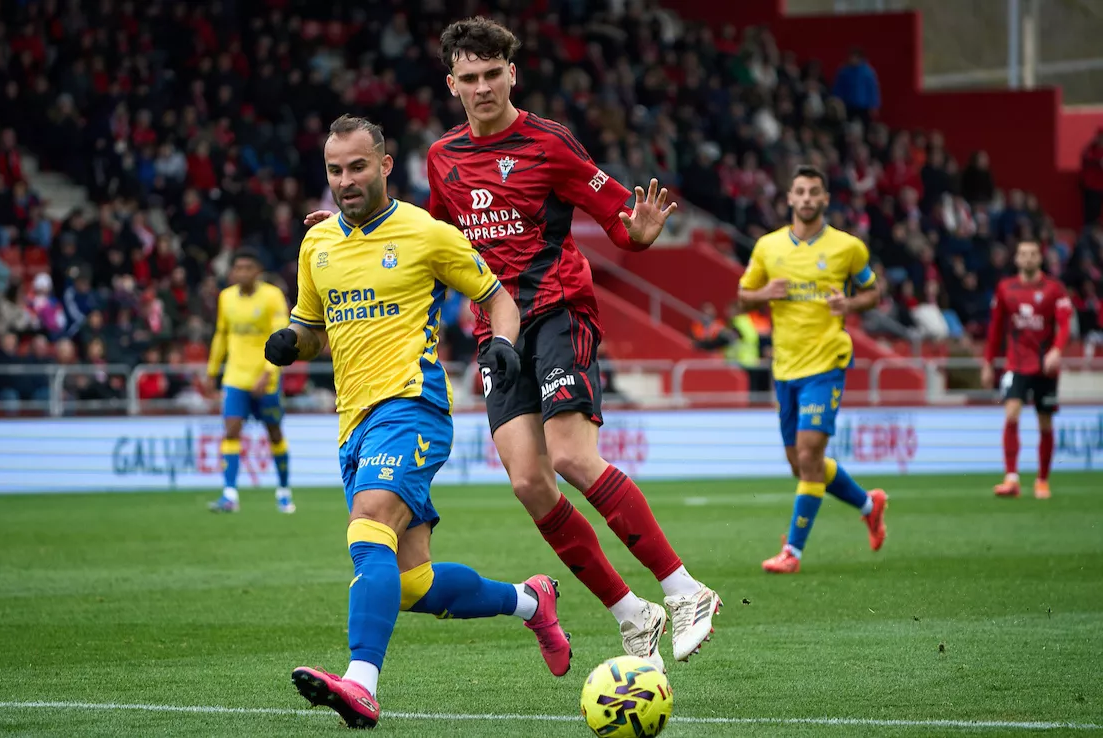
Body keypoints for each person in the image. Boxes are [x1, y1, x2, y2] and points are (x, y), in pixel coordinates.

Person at [305, 17, 720, 670]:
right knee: (530, 482)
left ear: (511, 74)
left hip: (558, 312)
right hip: (496, 336)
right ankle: (631, 614)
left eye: (491, 74)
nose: (481, 87)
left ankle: (684, 588)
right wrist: (349, 225)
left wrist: (639, 232)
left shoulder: (550, 145)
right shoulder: (443, 159)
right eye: (468, 78)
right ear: (451, 84)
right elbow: (423, 236)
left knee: (572, 457)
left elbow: (621, 222)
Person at [266, 115, 571, 730]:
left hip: (412, 407)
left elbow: (495, 296)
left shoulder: (426, 234)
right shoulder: (316, 244)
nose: (345, 180)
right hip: (353, 422)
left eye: (357, 166)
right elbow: (314, 330)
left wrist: (505, 344)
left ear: (384, 165)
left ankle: (361, 682)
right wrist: (289, 342)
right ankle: (529, 600)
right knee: (411, 583)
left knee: (369, 526)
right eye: (334, 170)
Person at [737, 165, 889, 574]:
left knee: (808, 455)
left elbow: (874, 291)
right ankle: (868, 504)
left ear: (824, 199)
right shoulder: (768, 247)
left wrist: (851, 304)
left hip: (827, 362)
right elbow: (742, 296)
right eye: (800, 192)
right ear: (789, 198)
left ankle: (793, 553)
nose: (806, 199)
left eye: (814, 193)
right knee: (801, 464)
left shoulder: (847, 247)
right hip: (785, 368)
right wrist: (764, 294)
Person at [981, 240, 1072, 499]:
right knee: (1011, 414)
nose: (1028, 258)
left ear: (1039, 259)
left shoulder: (1055, 289)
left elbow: (1064, 324)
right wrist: (988, 363)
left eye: (1033, 254)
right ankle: (1011, 478)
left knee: (1045, 422)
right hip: (1016, 364)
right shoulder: (1005, 288)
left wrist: (1057, 349)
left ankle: (1042, 480)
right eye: (1023, 254)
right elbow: (995, 329)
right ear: (1017, 259)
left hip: (1045, 366)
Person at [205, 247, 294, 513]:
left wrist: (268, 372)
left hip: (264, 377)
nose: (242, 272)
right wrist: (212, 371)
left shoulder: (272, 296)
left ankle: (284, 492)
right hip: (235, 376)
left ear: (258, 271)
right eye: (238, 268)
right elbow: (221, 335)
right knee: (231, 430)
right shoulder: (226, 298)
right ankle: (229, 494)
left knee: (274, 433)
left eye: (247, 268)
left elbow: (281, 335)